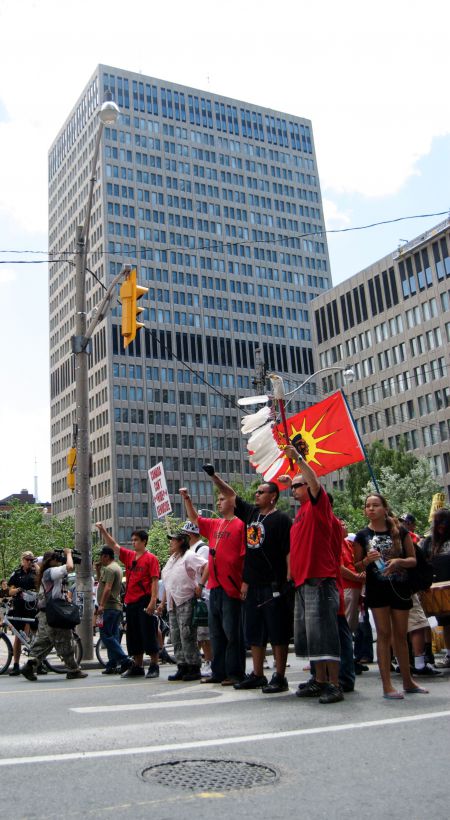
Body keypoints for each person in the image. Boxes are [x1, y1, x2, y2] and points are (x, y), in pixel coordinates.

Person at [202, 467, 292, 694]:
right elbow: (231, 495)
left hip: (274, 584)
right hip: (253, 584)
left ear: (273, 496)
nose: (256, 495)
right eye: (256, 492)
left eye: (261, 492)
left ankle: (279, 676)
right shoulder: (251, 514)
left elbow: (288, 551)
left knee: (276, 631)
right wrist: (215, 476)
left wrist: (288, 578)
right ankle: (258, 674)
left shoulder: (281, 519)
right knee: (254, 631)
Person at [283, 444, 343, 704]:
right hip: (303, 581)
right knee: (312, 636)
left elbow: (315, 483)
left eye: (297, 485)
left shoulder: (319, 506)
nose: (293, 490)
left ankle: (334, 683)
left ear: (308, 486)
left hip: (319, 579)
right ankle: (319, 680)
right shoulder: (299, 515)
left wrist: (297, 459)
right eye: (292, 486)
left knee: (326, 634)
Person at [353, 492, 427, 698]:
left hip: (400, 588)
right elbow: (357, 565)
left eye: (375, 505)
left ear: (385, 508)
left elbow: (413, 560)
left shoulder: (400, 532)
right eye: (368, 505)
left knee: (401, 636)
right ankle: (387, 685)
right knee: (384, 635)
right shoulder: (361, 536)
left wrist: (398, 562)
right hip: (377, 590)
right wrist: (367, 560)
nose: (371, 509)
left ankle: (408, 681)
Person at [180, 486, 246, 685]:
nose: (218, 502)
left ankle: (235, 673)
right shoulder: (216, 524)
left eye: (222, 499)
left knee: (232, 633)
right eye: (217, 499)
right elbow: (194, 520)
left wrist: (245, 583)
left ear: (233, 502)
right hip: (214, 587)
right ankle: (219, 672)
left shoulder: (241, 525)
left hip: (231, 586)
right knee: (216, 633)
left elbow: (246, 556)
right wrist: (187, 499)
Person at [96, 524, 160, 679]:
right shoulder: (130, 556)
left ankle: (154, 665)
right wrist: (103, 531)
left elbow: (154, 581)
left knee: (148, 632)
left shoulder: (151, 559)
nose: (133, 542)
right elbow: (114, 545)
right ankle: (138, 666)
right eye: (132, 540)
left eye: (136, 540)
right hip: (130, 601)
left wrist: (152, 601)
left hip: (144, 600)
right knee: (133, 634)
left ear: (144, 541)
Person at [21, 549, 87, 681]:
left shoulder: (45, 572)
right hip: (54, 614)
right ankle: (73, 670)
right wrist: (68, 553)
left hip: (46, 613)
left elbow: (37, 560)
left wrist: (52, 555)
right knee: (65, 640)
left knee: (43, 642)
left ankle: (30, 665)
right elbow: (69, 567)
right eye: (56, 559)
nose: (58, 561)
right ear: (50, 561)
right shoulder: (50, 572)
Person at [158, 532, 207, 681]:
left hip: (186, 599)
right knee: (176, 636)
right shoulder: (172, 559)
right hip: (173, 602)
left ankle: (193, 666)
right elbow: (168, 583)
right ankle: (182, 665)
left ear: (181, 542)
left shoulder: (189, 555)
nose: (170, 543)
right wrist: (163, 603)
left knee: (187, 634)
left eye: (173, 540)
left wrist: (201, 585)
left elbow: (207, 565)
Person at [181, 520, 213, 675]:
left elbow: (205, 569)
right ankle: (198, 661)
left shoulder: (202, 548)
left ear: (190, 535)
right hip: (192, 595)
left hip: (203, 595)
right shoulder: (189, 549)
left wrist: (199, 586)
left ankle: (209, 661)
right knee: (196, 632)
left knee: (203, 631)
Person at [95, 546, 133, 675]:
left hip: (109, 607)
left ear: (106, 556)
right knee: (113, 636)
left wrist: (101, 605)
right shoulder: (114, 567)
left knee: (106, 636)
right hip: (114, 607)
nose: (100, 558)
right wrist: (98, 570)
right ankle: (112, 664)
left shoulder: (110, 569)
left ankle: (124, 659)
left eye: (101, 556)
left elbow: (107, 588)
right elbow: (102, 583)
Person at [421, 508, 450, 668]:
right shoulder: (428, 542)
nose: (442, 526)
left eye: (445, 522)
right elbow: (423, 563)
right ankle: (447, 654)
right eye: (439, 522)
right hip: (435, 590)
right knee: (444, 623)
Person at [7, 551, 38, 676]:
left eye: (31, 560)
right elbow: (10, 591)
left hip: (32, 607)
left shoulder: (35, 572)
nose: (29, 562)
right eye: (27, 559)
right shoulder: (16, 573)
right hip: (19, 607)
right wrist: (18, 590)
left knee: (36, 635)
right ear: (22, 560)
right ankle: (15, 665)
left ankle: (38, 663)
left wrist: (36, 565)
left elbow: (41, 582)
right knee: (18, 637)